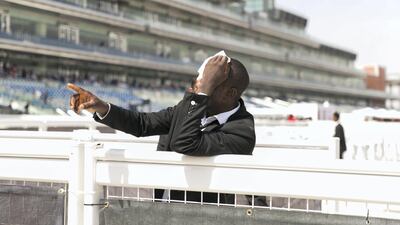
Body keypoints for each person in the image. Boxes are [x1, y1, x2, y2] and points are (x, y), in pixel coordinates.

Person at [67, 55, 256, 203]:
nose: (199, 87)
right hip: (165, 208)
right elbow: (142, 124)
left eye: (209, 84)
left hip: (205, 217)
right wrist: (100, 106)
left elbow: (186, 143)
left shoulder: (241, 132)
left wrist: (201, 93)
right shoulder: (188, 108)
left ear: (230, 94)